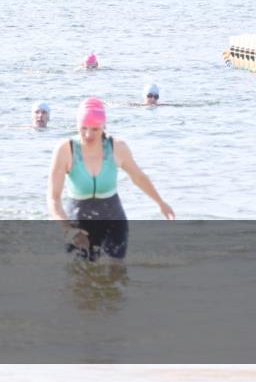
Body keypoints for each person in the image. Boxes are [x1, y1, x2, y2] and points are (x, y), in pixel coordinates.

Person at [47, 97, 174, 262]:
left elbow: (138, 177)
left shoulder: (117, 147)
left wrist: (160, 203)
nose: (88, 134)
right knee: (78, 280)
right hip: (77, 225)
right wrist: (68, 229)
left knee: (115, 277)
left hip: (113, 222)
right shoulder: (65, 150)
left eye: (95, 129)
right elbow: (53, 198)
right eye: (83, 128)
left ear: (104, 126)